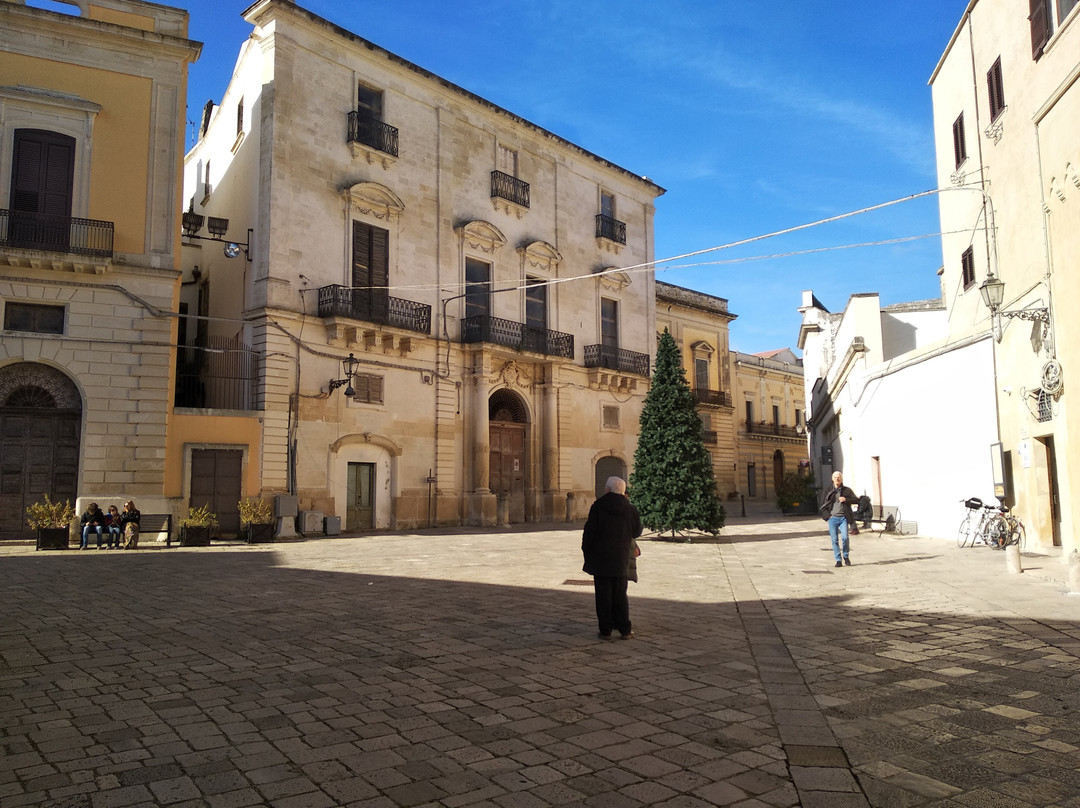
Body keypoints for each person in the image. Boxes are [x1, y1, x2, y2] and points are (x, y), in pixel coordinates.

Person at [582, 476, 642, 641]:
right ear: (623, 491)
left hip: (601, 559)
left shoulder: (598, 507)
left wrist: (586, 551)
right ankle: (624, 629)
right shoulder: (631, 509)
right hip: (621, 557)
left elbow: (589, 533)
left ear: (608, 489)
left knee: (603, 596)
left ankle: (606, 630)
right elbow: (636, 532)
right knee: (620, 594)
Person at [821, 471, 857, 567]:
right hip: (832, 519)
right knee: (834, 540)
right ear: (832, 479)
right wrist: (828, 517)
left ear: (841, 479)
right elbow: (822, 505)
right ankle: (838, 560)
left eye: (839, 477)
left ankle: (846, 556)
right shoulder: (828, 490)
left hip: (843, 518)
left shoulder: (846, 490)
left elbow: (856, 500)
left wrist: (846, 499)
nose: (837, 479)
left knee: (845, 538)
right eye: (835, 477)